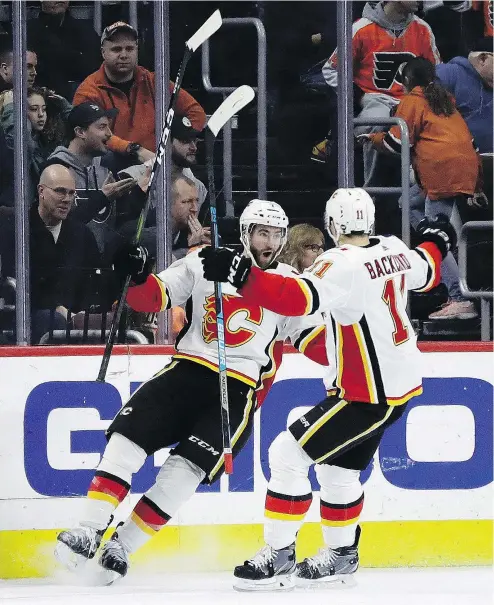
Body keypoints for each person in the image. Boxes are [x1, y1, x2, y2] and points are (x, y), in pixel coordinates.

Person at [54, 200, 329, 583]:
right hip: (186, 371)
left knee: (187, 470)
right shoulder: (204, 262)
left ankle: (123, 545)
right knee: (127, 439)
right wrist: (135, 274)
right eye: (262, 232)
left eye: (277, 234)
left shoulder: (292, 286)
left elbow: (315, 343)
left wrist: (361, 350)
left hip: (237, 390)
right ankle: (89, 527)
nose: (270, 241)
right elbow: (153, 298)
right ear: (246, 234)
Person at [199, 187, 454, 590]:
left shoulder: (338, 263)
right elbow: (428, 266)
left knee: (286, 455)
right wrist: (438, 238)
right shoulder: (393, 248)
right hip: (395, 388)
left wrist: (241, 275)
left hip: (365, 395)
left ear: (333, 225)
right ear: (369, 222)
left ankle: (280, 555)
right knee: (339, 470)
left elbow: (295, 299)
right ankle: (341, 555)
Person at [359, 57, 482, 320]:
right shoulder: (444, 100)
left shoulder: (413, 100)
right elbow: (468, 140)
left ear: (406, 80)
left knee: (434, 233)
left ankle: (460, 298)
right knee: (409, 203)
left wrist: (372, 138)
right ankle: (442, 244)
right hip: (464, 169)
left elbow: (395, 143)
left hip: (441, 172)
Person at [316, 1, 440, 184]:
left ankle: (420, 192)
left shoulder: (423, 29)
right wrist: (358, 96)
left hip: (413, 101)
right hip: (375, 100)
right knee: (376, 121)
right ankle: (369, 193)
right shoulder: (361, 28)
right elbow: (331, 70)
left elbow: (437, 72)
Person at [73, 21, 206, 165]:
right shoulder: (89, 90)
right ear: (103, 52)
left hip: (157, 160)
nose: (123, 55)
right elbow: (92, 135)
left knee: (193, 184)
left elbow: (196, 112)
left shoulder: (154, 81)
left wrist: (178, 139)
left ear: (137, 50)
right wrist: (133, 150)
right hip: (113, 161)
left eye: (129, 49)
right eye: (116, 49)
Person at [0, 164, 101, 343]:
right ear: (41, 191)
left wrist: (86, 312)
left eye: (72, 193)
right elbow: (13, 284)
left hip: (76, 319)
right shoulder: (15, 229)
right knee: (52, 320)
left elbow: (95, 281)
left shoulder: (82, 234)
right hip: (27, 318)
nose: (67, 199)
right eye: (60, 191)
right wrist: (57, 308)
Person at [47, 102, 139, 256]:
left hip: (101, 266)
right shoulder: (56, 168)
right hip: (67, 264)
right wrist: (103, 197)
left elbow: (114, 224)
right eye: (102, 127)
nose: (109, 134)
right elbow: (57, 225)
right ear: (80, 132)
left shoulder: (106, 166)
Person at [0, 86, 71, 200]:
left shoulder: (47, 141)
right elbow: (22, 145)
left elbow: (81, 130)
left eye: (44, 109)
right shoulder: (8, 140)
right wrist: (11, 109)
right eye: (33, 109)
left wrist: (64, 106)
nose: (41, 114)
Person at [27, 0, 101, 100]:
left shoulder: (85, 32)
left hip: (77, 99)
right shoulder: (27, 32)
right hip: (36, 99)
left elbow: (94, 68)